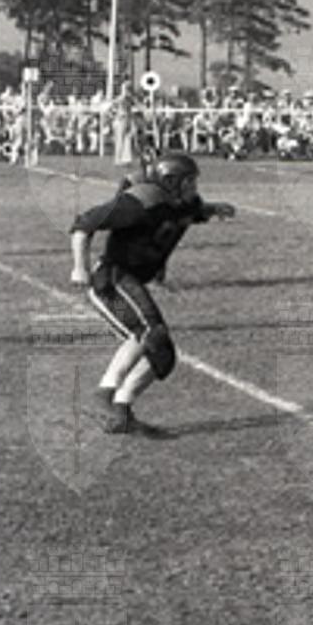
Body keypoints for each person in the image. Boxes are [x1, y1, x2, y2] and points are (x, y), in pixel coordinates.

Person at [69, 150, 236, 437]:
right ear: (171, 181)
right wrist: (79, 267)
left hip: (132, 280)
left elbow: (191, 212)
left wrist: (214, 209)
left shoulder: (183, 203)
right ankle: (103, 396)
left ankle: (121, 412)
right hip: (112, 280)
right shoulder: (141, 203)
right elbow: (84, 225)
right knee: (150, 333)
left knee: (163, 356)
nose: (194, 187)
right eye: (189, 181)